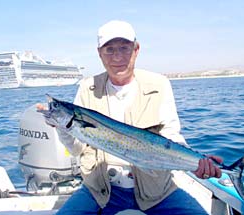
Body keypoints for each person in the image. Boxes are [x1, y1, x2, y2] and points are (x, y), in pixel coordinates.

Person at [55, 20, 222, 215]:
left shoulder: (159, 84)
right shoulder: (87, 87)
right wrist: (61, 127)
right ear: (99, 52)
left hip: (157, 191)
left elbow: (170, 136)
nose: (117, 56)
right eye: (109, 49)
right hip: (100, 189)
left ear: (136, 49)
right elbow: (77, 148)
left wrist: (196, 162)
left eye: (124, 48)